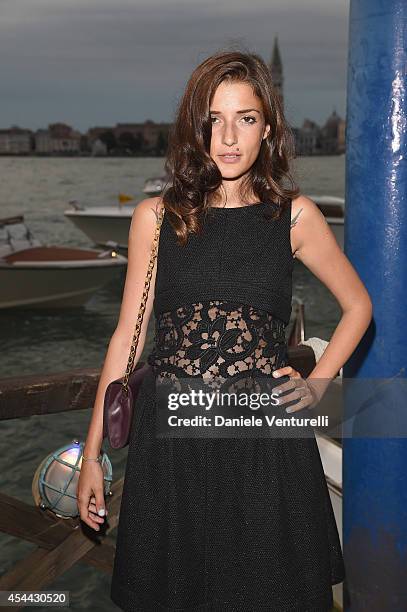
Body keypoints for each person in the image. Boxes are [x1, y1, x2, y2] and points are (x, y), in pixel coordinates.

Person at [77, 49, 372, 611]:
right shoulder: (157, 217)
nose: (229, 138)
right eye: (215, 119)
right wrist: (93, 456)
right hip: (171, 448)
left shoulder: (294, 216)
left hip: (263, 446)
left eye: (246, 118)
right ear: (196, 127)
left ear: (269, 128)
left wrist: (317, 386)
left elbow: (358, 306)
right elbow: (127, 340)